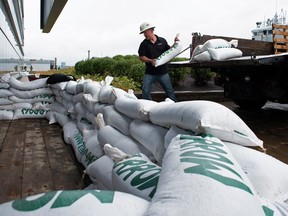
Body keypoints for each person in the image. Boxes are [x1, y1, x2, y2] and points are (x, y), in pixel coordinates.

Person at [138, 22, 178, 102]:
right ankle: (148, 106)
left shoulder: (162, 41)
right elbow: (141, 57)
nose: (144, 34)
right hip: (150, 72)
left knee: (170, 91)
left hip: (163, 72)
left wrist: (175, 44)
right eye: (143, 33)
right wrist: (150, 60)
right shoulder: (144, 44)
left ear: (151, 31)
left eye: (145, 32)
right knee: (145, 91)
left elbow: (169, 51)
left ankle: (174, 106)